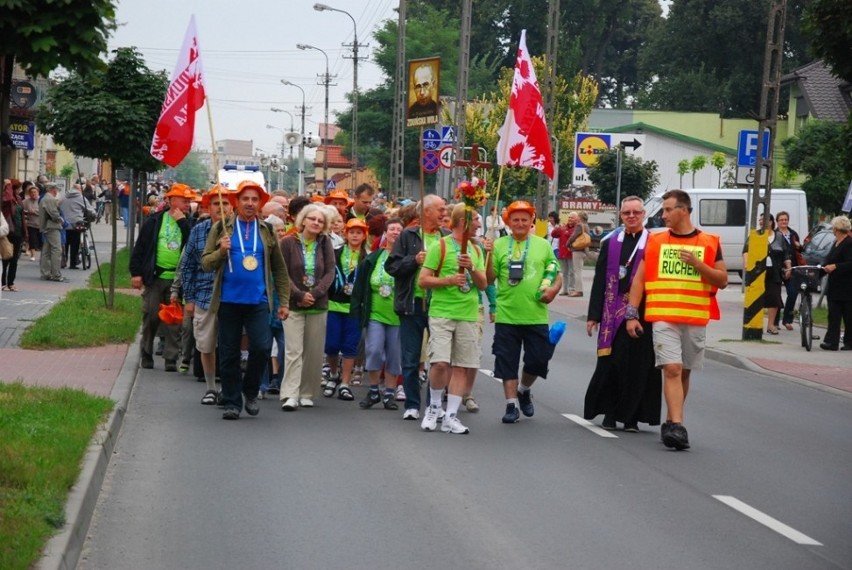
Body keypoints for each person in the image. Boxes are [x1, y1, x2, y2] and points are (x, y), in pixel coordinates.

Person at [626, 189, 728, 450]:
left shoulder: (709, 242)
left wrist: (698, 264)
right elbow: (639, 279)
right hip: (663, 317)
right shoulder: (657, 242)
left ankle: (671, 420)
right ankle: (678, 426)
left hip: (693, 318)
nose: (664, 215)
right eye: (663, 210)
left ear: (684, 210)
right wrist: (631, 313)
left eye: (668, 209)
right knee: (671, 368)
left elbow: (722, 280)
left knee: (684, 371)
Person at [201, 181, 290, 420]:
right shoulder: (221, 229)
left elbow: (280, 270)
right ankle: (231, 401)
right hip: (228, 301)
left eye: (254, 199)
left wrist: (284, 302)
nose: (250, 203)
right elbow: (206, 263)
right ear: (236, 202)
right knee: (228, 353)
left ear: (260, 203)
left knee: (261, 347)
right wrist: (221, 251)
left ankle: (250, 391)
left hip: (258, 301)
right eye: (245, 199)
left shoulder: (268, 231)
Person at [584, 196, 661, 432]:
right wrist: (593, 314)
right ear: (620, 215)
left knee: (639, 366)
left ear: (644, 214)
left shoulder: (654, 242)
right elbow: (599, 281)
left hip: (644, 313)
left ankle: (632, 418)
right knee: (612, 364)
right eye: (626, 213)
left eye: (636, 212)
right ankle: (609, 412)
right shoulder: (610, 243)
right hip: (611, 314)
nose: (631, 216)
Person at [484, 200, 562, 424]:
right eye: (515, 220)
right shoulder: (498, 244)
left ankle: (524, 389)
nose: (519, 223)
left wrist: (554, 291)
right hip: (506, 315)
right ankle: (511, 406)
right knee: (506, 362)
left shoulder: (543, 245)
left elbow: (556, 273)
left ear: (531, 222)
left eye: (524, 220)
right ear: (508, 222)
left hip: (535, 314)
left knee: (538, 360)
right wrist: (488, 257)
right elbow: (489, 279)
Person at [417, 203, 487, 434]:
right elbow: (423, 280)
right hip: (442, 313)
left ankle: (451, 416)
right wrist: (448, 280)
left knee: (462, 366)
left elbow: (483, 284)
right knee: (439, 363)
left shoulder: (476, 250)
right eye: (475, 219)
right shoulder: (441, 246)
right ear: (462, 222)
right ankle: (434, 408)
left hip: (467, 314)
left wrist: (473, 269)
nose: (479, 224)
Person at [386, 194, 449, 420]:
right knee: (411, 358)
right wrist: (414, 260)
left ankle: (436, 403)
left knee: (440, 359)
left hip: (441, 305)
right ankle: (412, 404)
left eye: (445, 210)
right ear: (426, 213)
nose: (444, 214)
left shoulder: (447, 237)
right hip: (412, 304)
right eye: (440, 210)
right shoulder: (407, 235)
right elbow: (391, 267)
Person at [177, 186, 234, 405]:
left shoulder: (240, 230)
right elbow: (188, 266)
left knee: (229, 346)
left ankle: (229, 389)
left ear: (232, 207)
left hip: (231, 298)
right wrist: (188, 299)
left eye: (226, 204)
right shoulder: (198, 231)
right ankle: (211, 387)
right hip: (203, 296)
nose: (221, 208)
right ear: (208, 208)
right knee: (206, 344)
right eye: (216, 204)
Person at [129, 183, 194, 371]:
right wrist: (136, 273)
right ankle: (146, 353)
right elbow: (140, 247)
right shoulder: (155, 221)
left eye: (189, 202)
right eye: (184, 201)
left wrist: (182, 222)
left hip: (178, 280)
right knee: (151, 315)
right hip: (155, 277)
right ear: (172, 200)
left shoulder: (190, 223)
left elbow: (193, 245)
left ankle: (171, 357)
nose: (187, 205)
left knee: (174, 320)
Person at [278, 203, 336, 410]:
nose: (316, 223)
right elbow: (282, 272)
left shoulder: (325, 242)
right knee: (294, 350)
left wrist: (315, 293)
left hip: (318, 304)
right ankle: (290, 393)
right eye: (312, 219)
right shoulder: (287, 242)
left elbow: (330, 272)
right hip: (294, 304)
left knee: (313, 351)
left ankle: (307, 392)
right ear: (303, 220)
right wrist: (300, 294)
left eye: (320, 221)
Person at [351, 217, 404, 409]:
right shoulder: (373, 258)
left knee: (394, 355)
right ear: (385, 233)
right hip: (375, 314)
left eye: (399, 229)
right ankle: (374, 390)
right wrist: (356, 311)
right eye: (392, 229)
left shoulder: (407, 259)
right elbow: (359, 286)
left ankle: (389, 394)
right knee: (373, 350)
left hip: (398, 315)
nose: (395, 232)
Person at [323, 217, 368, 399]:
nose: (355, 236)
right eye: (352, 232)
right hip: (334, 305)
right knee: (332, 344)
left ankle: (345, 383)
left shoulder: (367, 257)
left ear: (364, 235)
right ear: (345, 234)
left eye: (359, 232)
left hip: (354, 308)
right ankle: (334, 375)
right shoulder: (335, 253)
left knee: (350, 346)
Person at [819, 215, 852, 351]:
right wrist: (819, 270)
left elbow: (850, 263)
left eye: (833, 227)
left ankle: (849, 342)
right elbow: (828, 260)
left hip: (847, 286)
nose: (832, 230)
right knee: (833, 315)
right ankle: (832, 342)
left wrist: (836, 267)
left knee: (848, 316)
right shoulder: (836, 242)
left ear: (837, 229)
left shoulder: (849, 243)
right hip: (834, 285)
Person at [776, 211, 803, 330]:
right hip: (778, 267)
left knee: (792, 292)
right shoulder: (775, 234)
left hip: (792, 267)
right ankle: (775, 321)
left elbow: (800, 250)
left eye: (785, 219)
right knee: (776, 296)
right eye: (781, 220)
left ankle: (787, 319)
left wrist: (799, 246)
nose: (784, 222)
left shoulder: (793, 234)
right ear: (777, 222)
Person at [59, 183, 93, 270]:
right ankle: (73, 264)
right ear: (80, 190)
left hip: (64, 224)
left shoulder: (63, 196)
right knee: (75, 244)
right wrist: (93, 216)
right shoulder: (81, 198)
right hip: (76, 224)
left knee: (64, 243)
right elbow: (90, 210)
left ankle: (63, 261)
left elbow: (57, 207)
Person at [38, 184, 66, 282]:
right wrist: (60, 219)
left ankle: (46, 273)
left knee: (46, 251)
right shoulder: (50, 199)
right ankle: (56, 274)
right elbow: (53, 213)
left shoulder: (45, 199)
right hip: (52, 227)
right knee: (56, 250)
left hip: (46, 227)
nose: (57, 192)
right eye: (56, 189)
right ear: (52, 190)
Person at [1, 179, 24, 291]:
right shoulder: (8, 200)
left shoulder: (19, 199)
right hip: (9, 232)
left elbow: (22, 216)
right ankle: (2, 283)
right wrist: (8, 185)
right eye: (18, 188)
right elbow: (7, 198)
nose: (20, 190)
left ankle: (11, 282)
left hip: (18, 233)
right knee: (6, 257)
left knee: (14, 259)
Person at [550, 215, 575, 295]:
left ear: (576, 219)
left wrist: (565, 231)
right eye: (569, 217)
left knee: (572, 272)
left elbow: (570, 235)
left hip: (571, 253)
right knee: (564, 273)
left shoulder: (577, 227)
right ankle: (565, 289)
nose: (570, 219)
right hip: (563, 253)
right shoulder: (563, 227)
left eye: (572, 217)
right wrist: (557, 228)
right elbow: (553, 235)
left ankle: (571, 289)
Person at [567, 211, 589, 297]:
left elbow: (573, 236)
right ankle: (578, 289)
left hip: (577, 250)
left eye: (578, 217)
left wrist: (568, 244)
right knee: (579, 270)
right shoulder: (586, 226)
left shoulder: (580, 226)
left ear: (581, 218)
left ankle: (578, 290)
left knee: (577, 271)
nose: (577, 218)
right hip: (584, 250)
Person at [22, 182, 41, 262]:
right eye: (31, 192)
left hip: (40, 224)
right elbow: (22, 210)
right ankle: (33, 255)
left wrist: (35, 212)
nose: (33, 194)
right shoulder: (25, 201)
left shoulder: (41, 200)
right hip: (31, 224)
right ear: (29, 194)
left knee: (40, 241)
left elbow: (43, 211)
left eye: (35, 192)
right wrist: (27, 212)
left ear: (38, 193)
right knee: (32, 240)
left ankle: (42, 256)